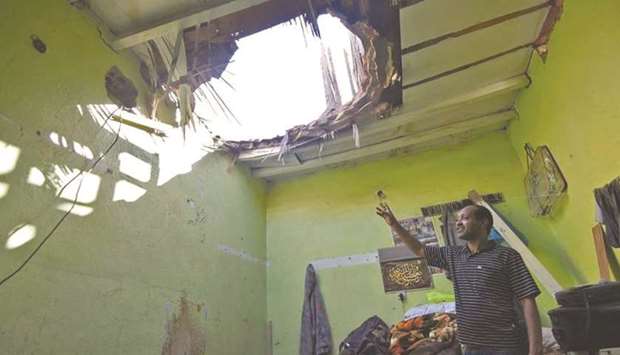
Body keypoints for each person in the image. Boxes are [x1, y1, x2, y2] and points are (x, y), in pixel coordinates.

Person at [376, 203, 543, 355]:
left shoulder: (506, 256)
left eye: (464, 218)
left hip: (504, 346)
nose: (458, 223)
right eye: (457, 219)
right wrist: (394, 224)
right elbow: (420, 250)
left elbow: (527, 300)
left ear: (483, 222)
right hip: (470, 347)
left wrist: (535, 350)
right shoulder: (453, 255)